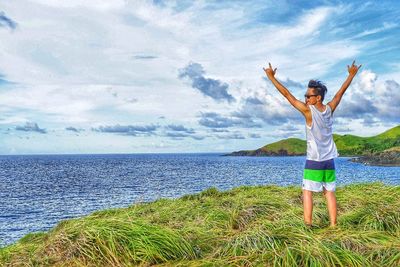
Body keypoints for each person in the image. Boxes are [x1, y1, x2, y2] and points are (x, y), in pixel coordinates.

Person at [263, 60, 362, 227]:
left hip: (314, 160)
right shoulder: (330, 109)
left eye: (309, 96)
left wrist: (271, 77)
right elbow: (340, 94)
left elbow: (287, 95)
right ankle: (333, 225)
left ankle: (307, 225)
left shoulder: (308, 111)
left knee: (307, 192)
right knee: (329, 192)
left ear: (318, 98)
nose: (305, 99)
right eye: (305, 96)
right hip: (329, 160)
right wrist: (351, 75)